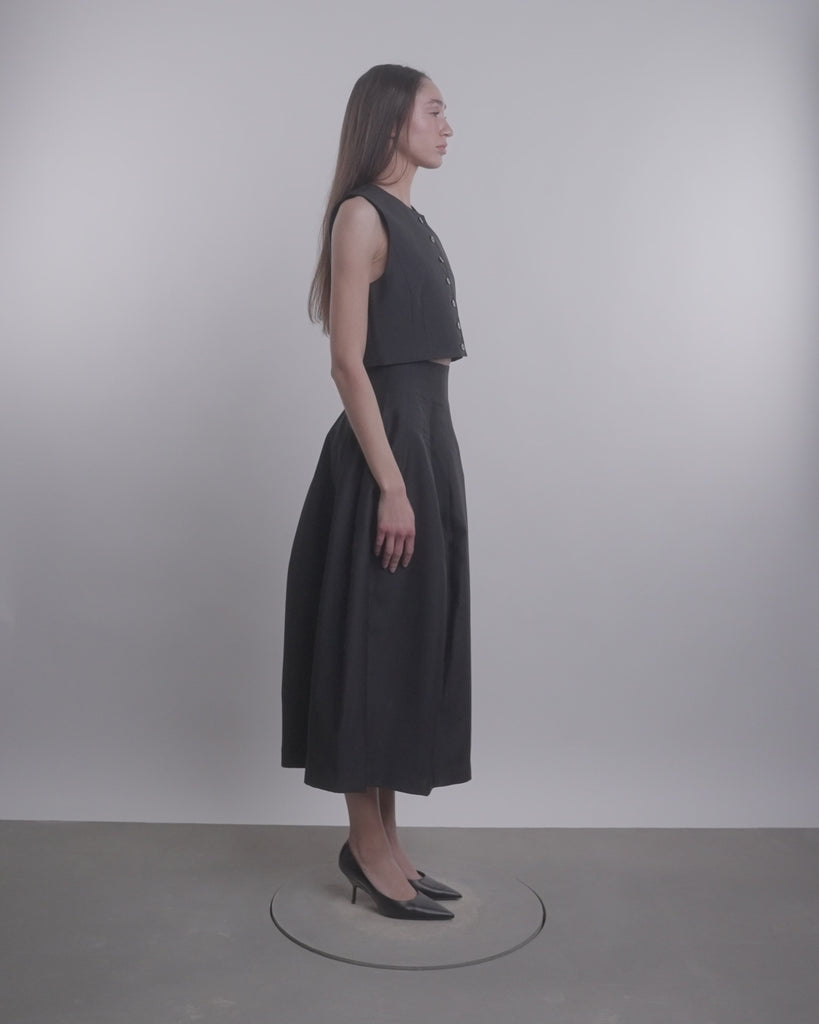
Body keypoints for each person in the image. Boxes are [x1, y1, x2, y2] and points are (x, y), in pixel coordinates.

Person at [281, 64, 471, 921]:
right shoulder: (360, 214)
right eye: (434, 110)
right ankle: (365, 847)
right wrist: (392, 483)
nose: (447, 126)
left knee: (400, 647)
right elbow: (346, 363)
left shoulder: (412, 220)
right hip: (384, 452)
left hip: (425, 441)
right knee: (369, 647)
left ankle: (388, 845)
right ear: (391, 121)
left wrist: (420, 470)